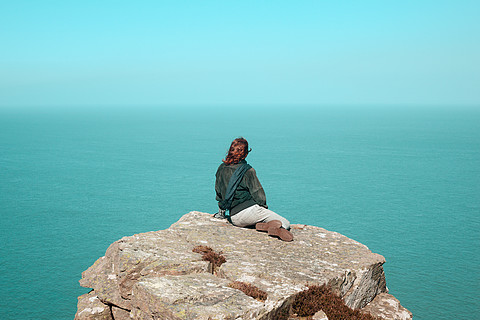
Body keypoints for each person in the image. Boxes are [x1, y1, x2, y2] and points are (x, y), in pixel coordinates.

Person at [215, 137, 293, 242]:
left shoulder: (221, 168)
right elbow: (258, 194)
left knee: (258, 217)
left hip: (234, 217)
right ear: (246, 154)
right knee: (285, 223)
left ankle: (262, 225)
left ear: (230, 151)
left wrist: (221, 213)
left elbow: (218, 193)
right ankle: (272, 228)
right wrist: (263, 209)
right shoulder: (248, 171)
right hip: (250, 212)